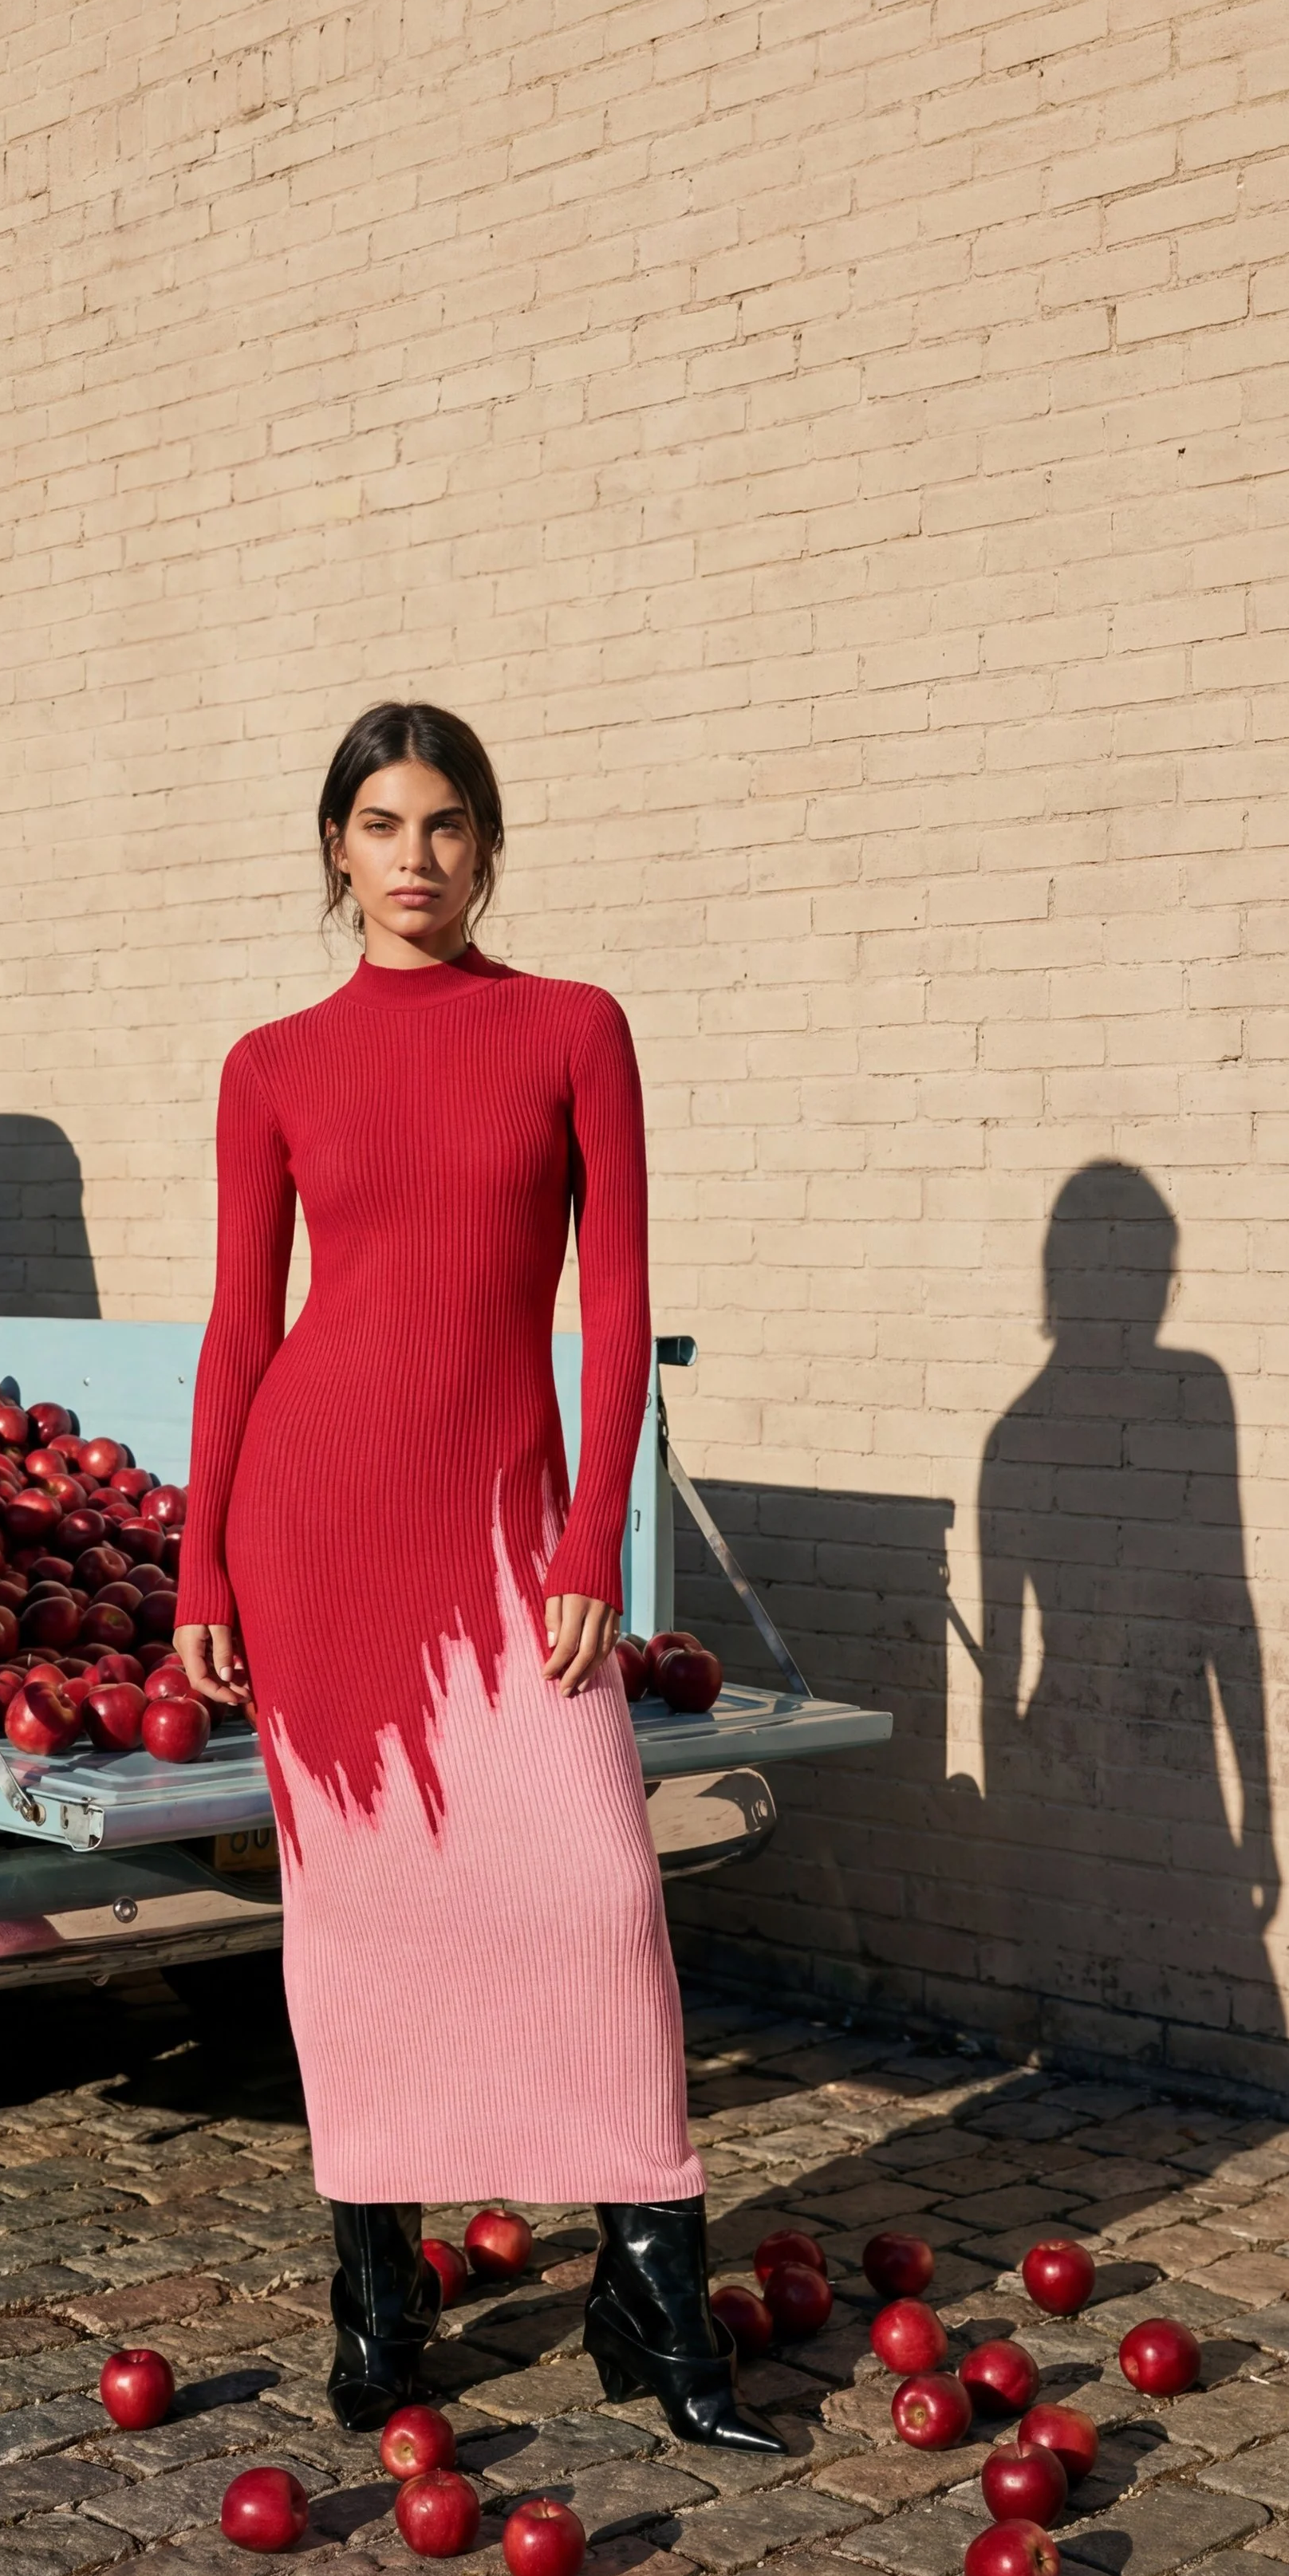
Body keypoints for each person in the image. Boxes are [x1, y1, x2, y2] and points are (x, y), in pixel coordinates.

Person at [172, 703, 779, 2452]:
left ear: (484, 846)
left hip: (511, 1539)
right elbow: (239, 1332)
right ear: (335, 851)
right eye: (381, 824)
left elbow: (612, 1309)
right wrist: (200, 1562)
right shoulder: (269, 1064)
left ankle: (651, 2300)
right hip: (318, 1532)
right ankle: (377, 2294)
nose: (415, 857)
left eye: (444, 825)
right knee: (359, 1932)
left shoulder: (569, 1027)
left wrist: (593, 1536)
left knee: (597, 1897)